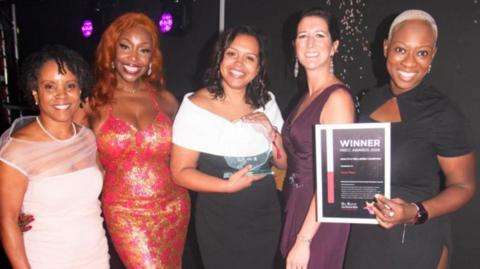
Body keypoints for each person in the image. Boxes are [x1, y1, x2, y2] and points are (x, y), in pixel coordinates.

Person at [344, 9, 476, 269]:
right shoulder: (368, 99)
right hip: (365, 239)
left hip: (414, 239)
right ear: (386, 48)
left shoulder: (443, 113)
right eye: (401, 50)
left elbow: (464, 186)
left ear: (433, 56)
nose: (409, 63)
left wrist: (414, 213)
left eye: (422, 53)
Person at [170, 25, 287, 269]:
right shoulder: (195, 106)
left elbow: (282, 163)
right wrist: (227, 186)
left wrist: (272, 133)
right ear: (220, 57)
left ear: (258, 68)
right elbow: (180, 172)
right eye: (232, 53)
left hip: (264, 216)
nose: (239, 63)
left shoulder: (267, 102)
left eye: (249, 57)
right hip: (218, 219)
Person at [90, 12, 190, 268]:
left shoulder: (167, 101)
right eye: (125, 47)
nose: (133, 58)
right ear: (112, 51)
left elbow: (187, 155)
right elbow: (69, 156)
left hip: (174, 206)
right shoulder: (93, 105)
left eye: (143, 50)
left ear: (151, 58)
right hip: (124, 212)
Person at [0, 45, 109, 268]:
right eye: (50, 86)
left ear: (80, 91)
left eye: (70, 85)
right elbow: (8, 220)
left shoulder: (88, 138)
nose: (61, 95)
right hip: (47, 257)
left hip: (95, 253)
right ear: (35, 93)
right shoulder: (17, 149)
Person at [279, 7, 355, 269]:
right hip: (298, 205)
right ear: (294, 45)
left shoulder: (337, 98)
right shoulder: (306, 97)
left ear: (334, 46)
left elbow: (335, 177)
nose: (310, 43)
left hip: (320, 217)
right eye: (302, 36)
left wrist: (304, 239)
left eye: (319, 35)